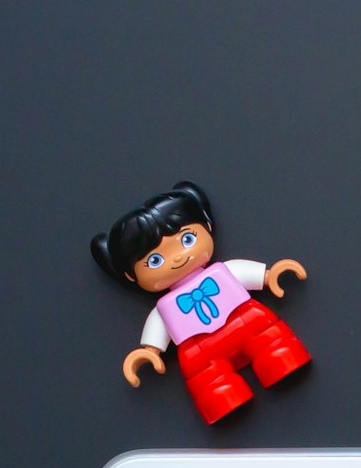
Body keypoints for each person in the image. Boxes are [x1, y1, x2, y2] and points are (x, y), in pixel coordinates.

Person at [91, 181, 309, 425]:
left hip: (250, 322)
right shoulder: (163, 311)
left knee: (274, 344)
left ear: (207, 226)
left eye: (186, 240)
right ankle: (219, 397)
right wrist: (149, 352)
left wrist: (271, 276)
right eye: (154, 260)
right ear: (131, 276)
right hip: (201, 353)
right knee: (210, 385)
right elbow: (156, 335)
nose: (178, 258)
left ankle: (279, 359)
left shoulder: (224, 271)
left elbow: (256, 275)